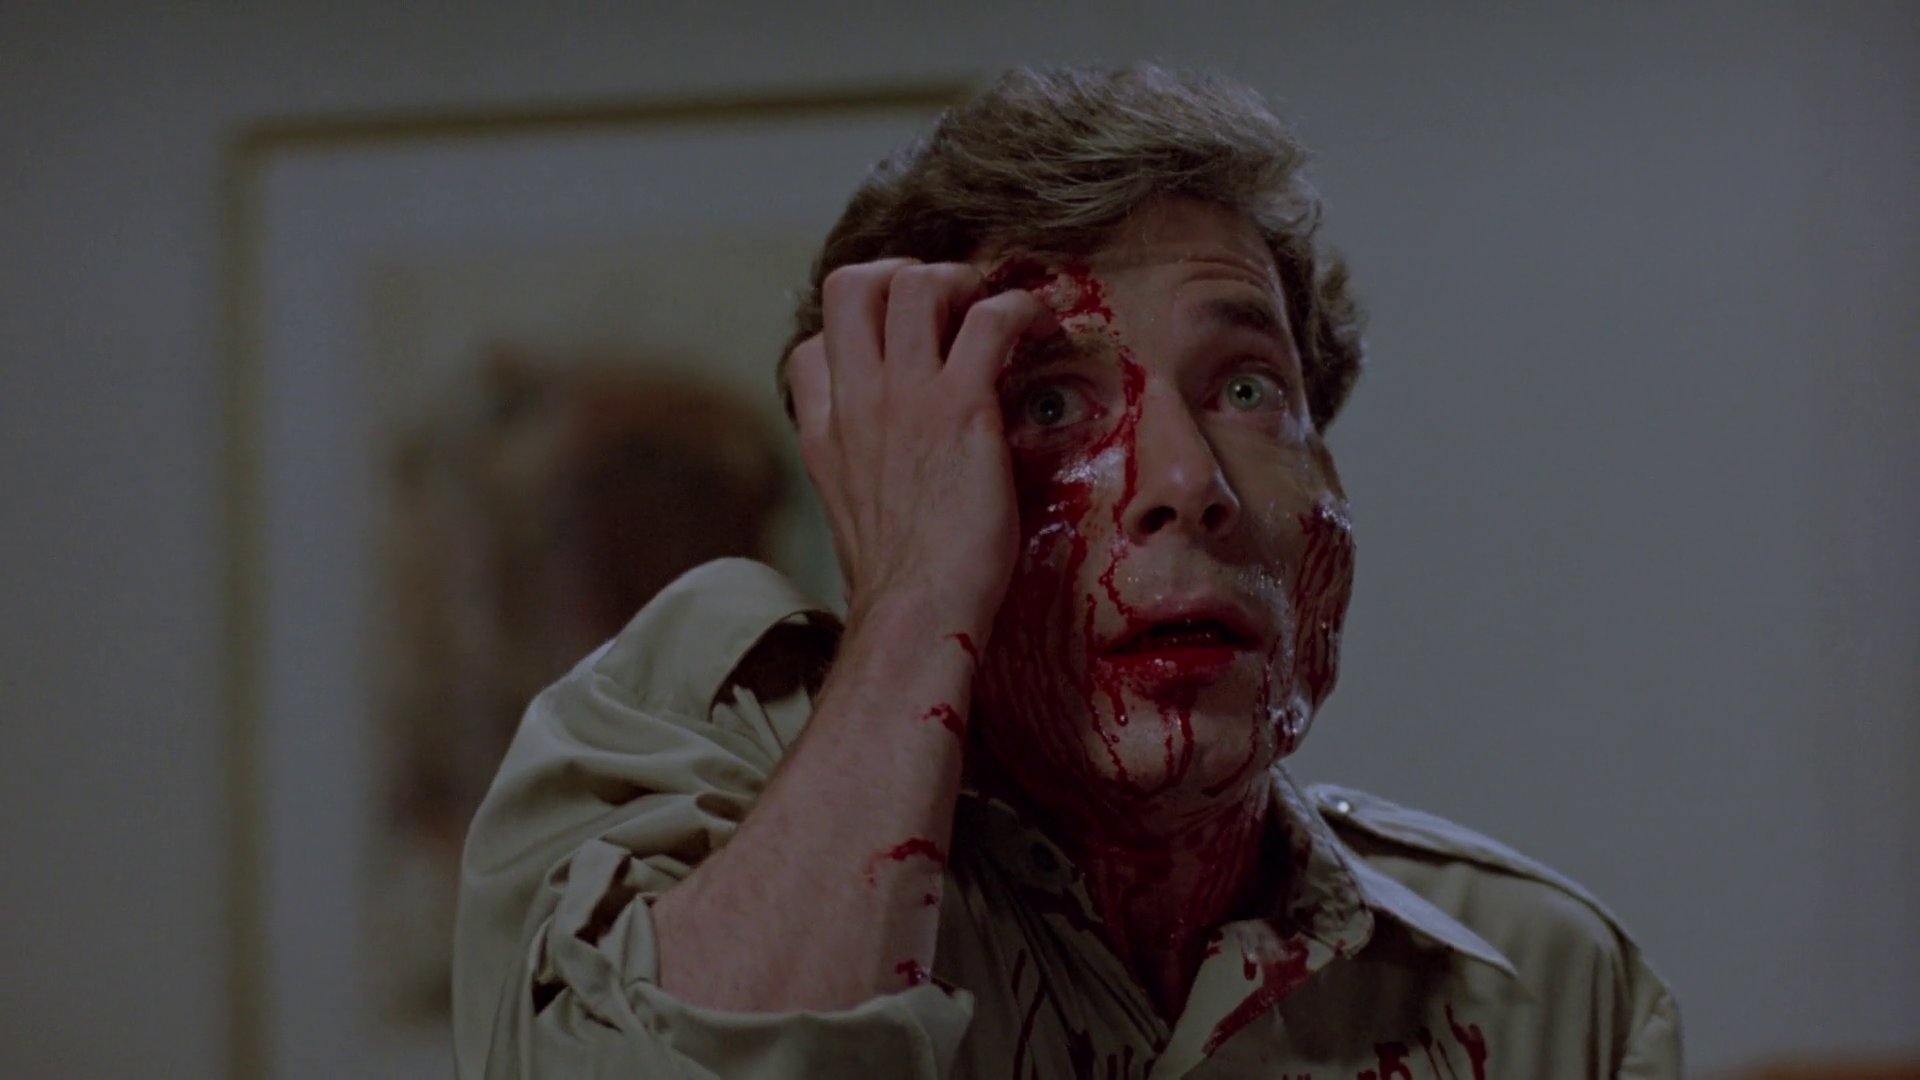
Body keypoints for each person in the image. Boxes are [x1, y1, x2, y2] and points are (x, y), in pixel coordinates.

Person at [451, 65, 1682, 1079]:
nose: (1187, 480)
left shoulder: (1545, 990)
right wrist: (914, 599)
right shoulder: (686, 776)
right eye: (1049, 403)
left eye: (1248, 389)